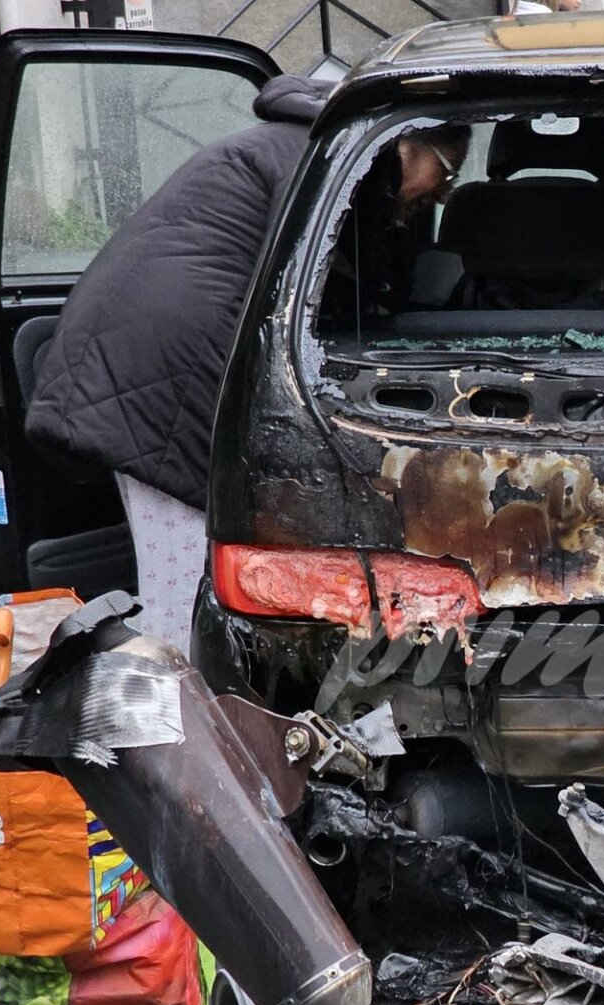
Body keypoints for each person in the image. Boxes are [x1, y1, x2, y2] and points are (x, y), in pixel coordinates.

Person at [24, 78, 466, 651]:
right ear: (408, 144)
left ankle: (190, 692)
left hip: (155, 352)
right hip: (161, 367)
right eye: (447, 173)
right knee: (185, 582)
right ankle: (179, 717)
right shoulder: (320, 165)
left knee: (191, 568)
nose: (441, 195)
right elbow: (309, 302)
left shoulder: (315, 153)